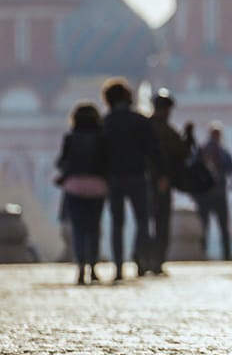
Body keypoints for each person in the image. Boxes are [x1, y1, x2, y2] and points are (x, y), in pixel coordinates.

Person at [100, 78, 166, 282]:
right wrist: (161, 174)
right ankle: (139, 257)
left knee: (117, 223)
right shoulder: (140, 121)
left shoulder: (105, 122)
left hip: (114, 178)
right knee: (142, 221)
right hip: (137, 176)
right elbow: (154, 150)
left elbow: (99, 153)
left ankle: (119, 265)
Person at [55, 102, 108, 285]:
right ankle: (93, 268)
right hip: (97, 187)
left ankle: (80, 268)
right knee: (94, 229)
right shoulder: (102, 138)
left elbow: (61, 162)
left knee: (78, 229)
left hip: (74, 187)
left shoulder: (70, 138)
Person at [148, 89, 186, 276]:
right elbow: (180, 154)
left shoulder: (145, 127)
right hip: (162, 183)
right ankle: (157, 260)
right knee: (161, 223)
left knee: (144, 222)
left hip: (144, 182)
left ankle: (143, 258)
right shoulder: (168, 131)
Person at [195, 120, 232, 261]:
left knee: (216, 226)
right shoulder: (212, 152)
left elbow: (231, 169)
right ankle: (219, 254)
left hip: (212, 194)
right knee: (208, 226)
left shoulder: (209, 151)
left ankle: (221, 253)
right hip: (209, 194)